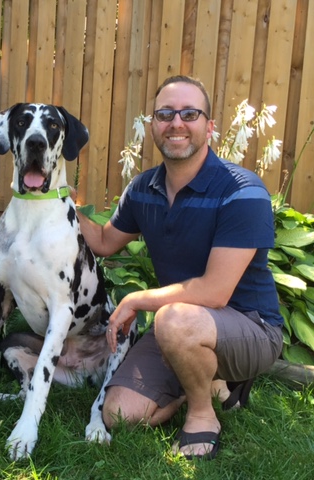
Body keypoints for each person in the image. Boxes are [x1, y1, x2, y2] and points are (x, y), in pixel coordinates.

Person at [78, 75, 283, 460]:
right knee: (119, 414)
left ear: (209, 126)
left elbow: (215, 292)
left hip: (251, 326)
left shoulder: (242, 190)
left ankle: (203, 415)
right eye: (165, 114)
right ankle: (212, 381)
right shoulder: (143, 189)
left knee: (172, 319)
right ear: (153, 125)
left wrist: (137, 299)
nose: (176, 123)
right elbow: (104, 242)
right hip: (183, 326)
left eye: (190, 114)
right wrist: (56, 200)